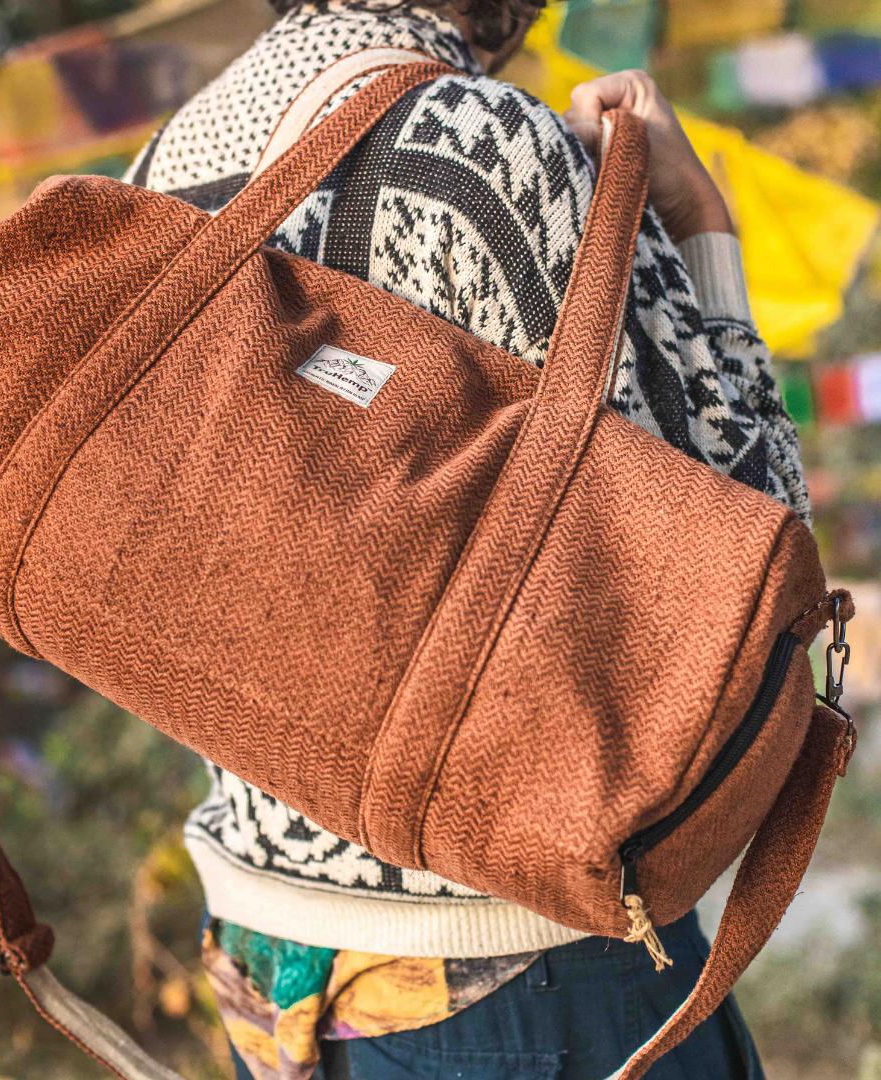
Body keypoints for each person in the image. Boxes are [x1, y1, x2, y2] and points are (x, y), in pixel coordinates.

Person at [121, 1, 806, 1076]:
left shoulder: (160, 161)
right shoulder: (490, 142)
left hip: (268, 957)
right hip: (519, 960)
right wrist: (700, 223)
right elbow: (755, 569)